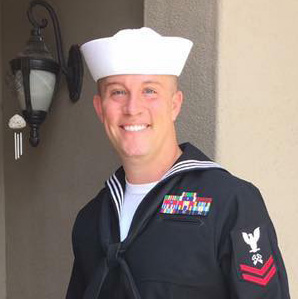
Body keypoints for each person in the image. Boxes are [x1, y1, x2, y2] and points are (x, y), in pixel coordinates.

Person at [66, 27, 290, 299]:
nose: (133, 108)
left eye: (149, 91)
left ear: (175, 105)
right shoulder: (91, 219)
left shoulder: (231, 202)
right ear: (100, 108)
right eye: (118, 92)